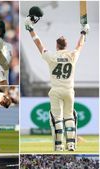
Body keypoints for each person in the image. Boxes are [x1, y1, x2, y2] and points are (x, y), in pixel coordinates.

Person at [25, 11, 90, 151]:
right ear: (65, 45)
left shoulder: (52, 56)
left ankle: (59, 146)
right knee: (69, 117)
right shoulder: (72, 55)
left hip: (55, 90)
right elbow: (80, 45)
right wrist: (84, 32)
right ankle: (71, 144)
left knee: (57, 118)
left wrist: (31, 29)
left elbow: (39, 44)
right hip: (69, 90)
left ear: (57, 45)